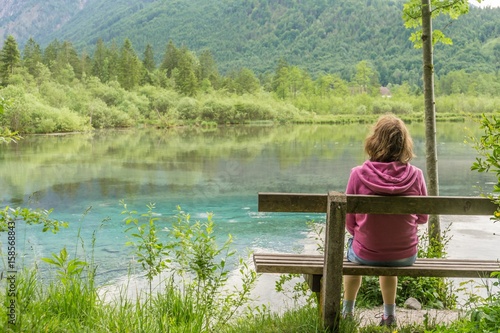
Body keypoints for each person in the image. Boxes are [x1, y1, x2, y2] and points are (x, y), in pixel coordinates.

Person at [342, 114, 428, 327]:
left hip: (365, 253)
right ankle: (389, 316)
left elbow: (349, 222)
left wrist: (365, 236)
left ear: (374, 141)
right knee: (389, 251)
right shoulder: (416, 175)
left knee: (352, 253)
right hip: (405, 255)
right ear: (404, 144)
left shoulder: (357, 174)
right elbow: (423, 217)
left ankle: (347, 313)